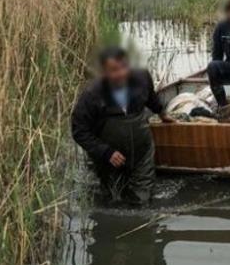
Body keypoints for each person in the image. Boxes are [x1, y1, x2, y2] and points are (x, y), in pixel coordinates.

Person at [71, 46, 174, 205]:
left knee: (142, 200)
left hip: (142, 153)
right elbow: (79, 130)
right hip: (109, 159)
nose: (121, 74)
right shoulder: (92, 94)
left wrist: (162, 113)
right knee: (112, 199)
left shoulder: (142, 77)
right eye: (114, 70)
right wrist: (106, 153)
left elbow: (151, 98)